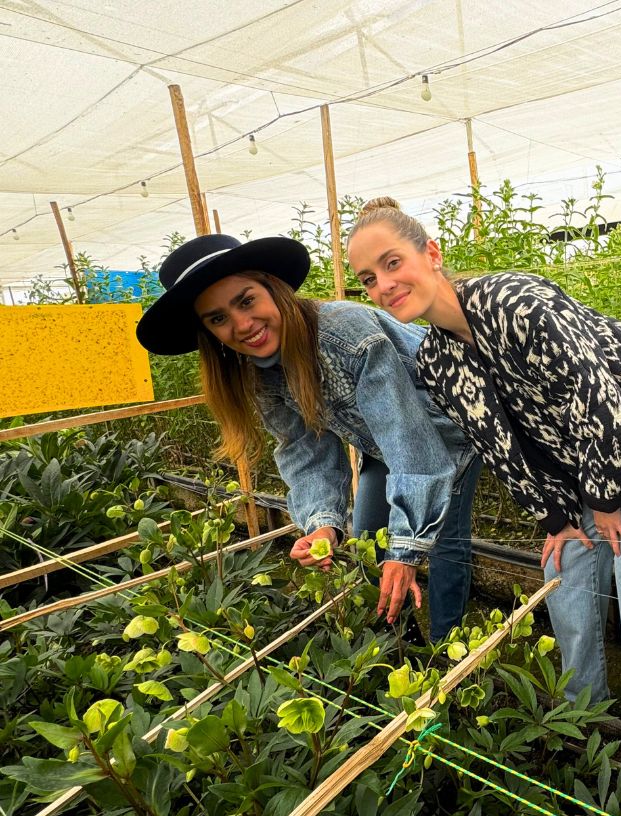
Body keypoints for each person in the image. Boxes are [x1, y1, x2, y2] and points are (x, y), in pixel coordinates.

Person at [346, 198, 621, 747]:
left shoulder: (517, 302)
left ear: (431, 253)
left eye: (392, 263)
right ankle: (580, 720)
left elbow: (598, 399)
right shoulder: (437, 360)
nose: (383, 284)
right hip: (587, 448)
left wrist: (603, 502)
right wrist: (554, 516)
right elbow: (498, 447)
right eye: (368, 279)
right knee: (564, 566)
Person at [134, 233, 482, 641]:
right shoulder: (260, 371)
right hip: (383, 445)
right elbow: (304, 449)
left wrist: (406, 551)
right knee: (369, 544)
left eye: (246, 301)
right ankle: (400, 648)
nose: (242, 325)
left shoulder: (344, 332)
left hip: (448, 435)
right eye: (217, 318)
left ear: (272, 288)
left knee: (439, 542)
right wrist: (321, 525)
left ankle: (448, 652)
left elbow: (414, 448)